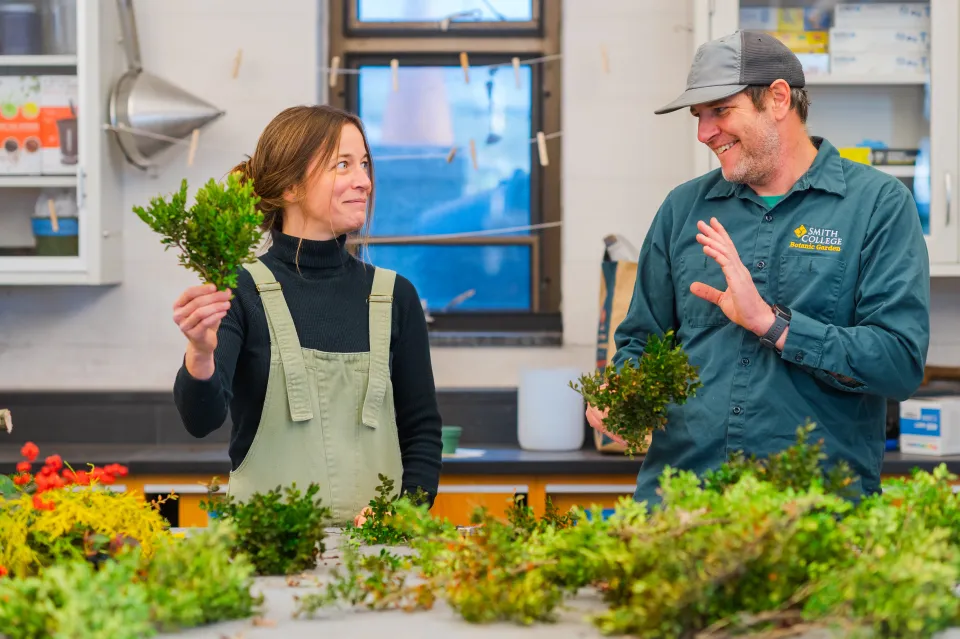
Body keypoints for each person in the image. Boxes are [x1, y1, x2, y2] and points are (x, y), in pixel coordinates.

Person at [586, 30, 930, 507]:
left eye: (720, 111)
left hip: (813, 517)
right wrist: (619, 394)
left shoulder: (878, 205)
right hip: (682, 511)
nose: (704, 133)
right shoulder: (683, 209)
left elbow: (899, 364)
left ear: (778, 98)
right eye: (699, 117)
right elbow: (640, 340)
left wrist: (772, 325)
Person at [171, 105, 443, 525]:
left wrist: (404, 511)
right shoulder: (240, 291)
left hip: (376, 560)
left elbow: (421, 432)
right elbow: (200, 420)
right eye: (343, 165)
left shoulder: (395, 296)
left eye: (365, 165)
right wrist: (200, 353)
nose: (364, 181)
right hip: (264, 554)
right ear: (291, 188)